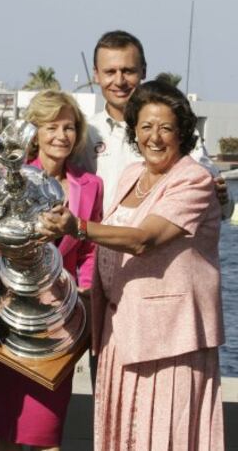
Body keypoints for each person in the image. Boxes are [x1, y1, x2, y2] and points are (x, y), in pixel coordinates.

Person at [39, 81, 225, 450]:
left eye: (166, 127)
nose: (154, 137)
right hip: (118, 334)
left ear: (183, 133)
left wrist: (78, 227)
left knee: (162, 438)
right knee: (122, 435)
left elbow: (144, 239)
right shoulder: (129, 175)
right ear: (134, 130)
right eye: (145, 126)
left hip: (170, 341)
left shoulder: (194, 179)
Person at [0, 89, 103, 451]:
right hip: (13, 317)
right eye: (52, 127)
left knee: (48, 432)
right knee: (8, 430)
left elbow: (90, 251)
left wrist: (85, 289)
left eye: (69, 127)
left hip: (58, 322)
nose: (61, 135)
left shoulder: (90, 186)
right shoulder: (9, 182)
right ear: (35, 132)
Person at [78, 29, 234, 217]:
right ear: (96, 74)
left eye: (128, 71)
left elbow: (221, 203)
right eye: (110, 72)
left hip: (163, 240)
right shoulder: (84, 135)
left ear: (143, 71)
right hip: (101, 242)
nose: (119, 81)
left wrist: (222, 196)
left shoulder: (178, 131)